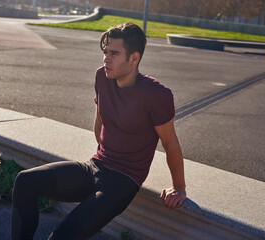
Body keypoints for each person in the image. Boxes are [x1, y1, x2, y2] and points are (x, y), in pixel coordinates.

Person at [11, 22, 186, 240]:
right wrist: (103, 155)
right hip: (95, 166)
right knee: (25, 181)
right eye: (105, 52)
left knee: (61, 236)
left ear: (134, 58)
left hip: (123, 181)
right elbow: (101, 122)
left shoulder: (156, 95)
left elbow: (170, 142)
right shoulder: (102, 77)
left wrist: (178, 186)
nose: (106, 59)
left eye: (114, 53)